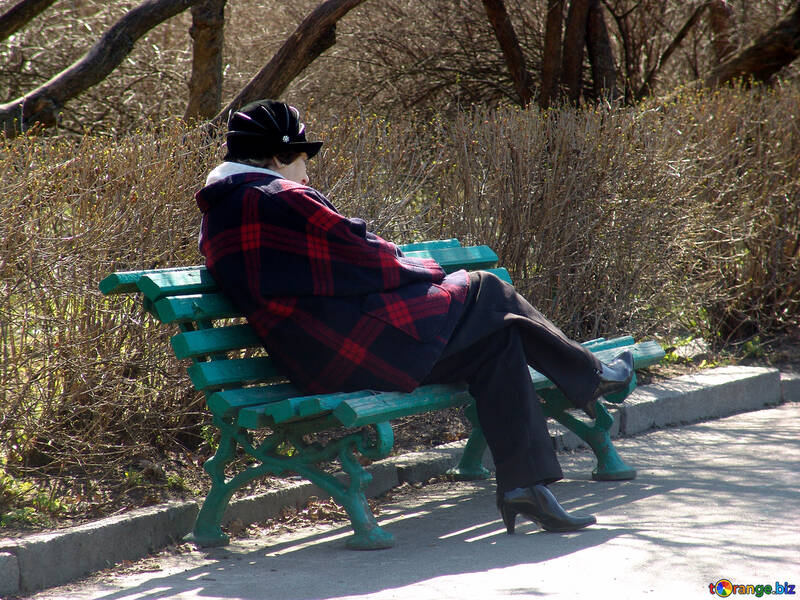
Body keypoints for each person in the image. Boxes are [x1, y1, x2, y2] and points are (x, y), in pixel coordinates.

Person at [196, 99, 635, 534]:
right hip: (351, 349)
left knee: (497, 342)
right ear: (279, 157)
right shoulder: (279, 198)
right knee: (487, 286)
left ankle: (527, 486)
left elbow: (331, 270)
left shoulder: (220, 214)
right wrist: (428, 270)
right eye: (302, 160)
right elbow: (365, 256)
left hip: (318, 355)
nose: (307, 173)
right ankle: (592, 377)